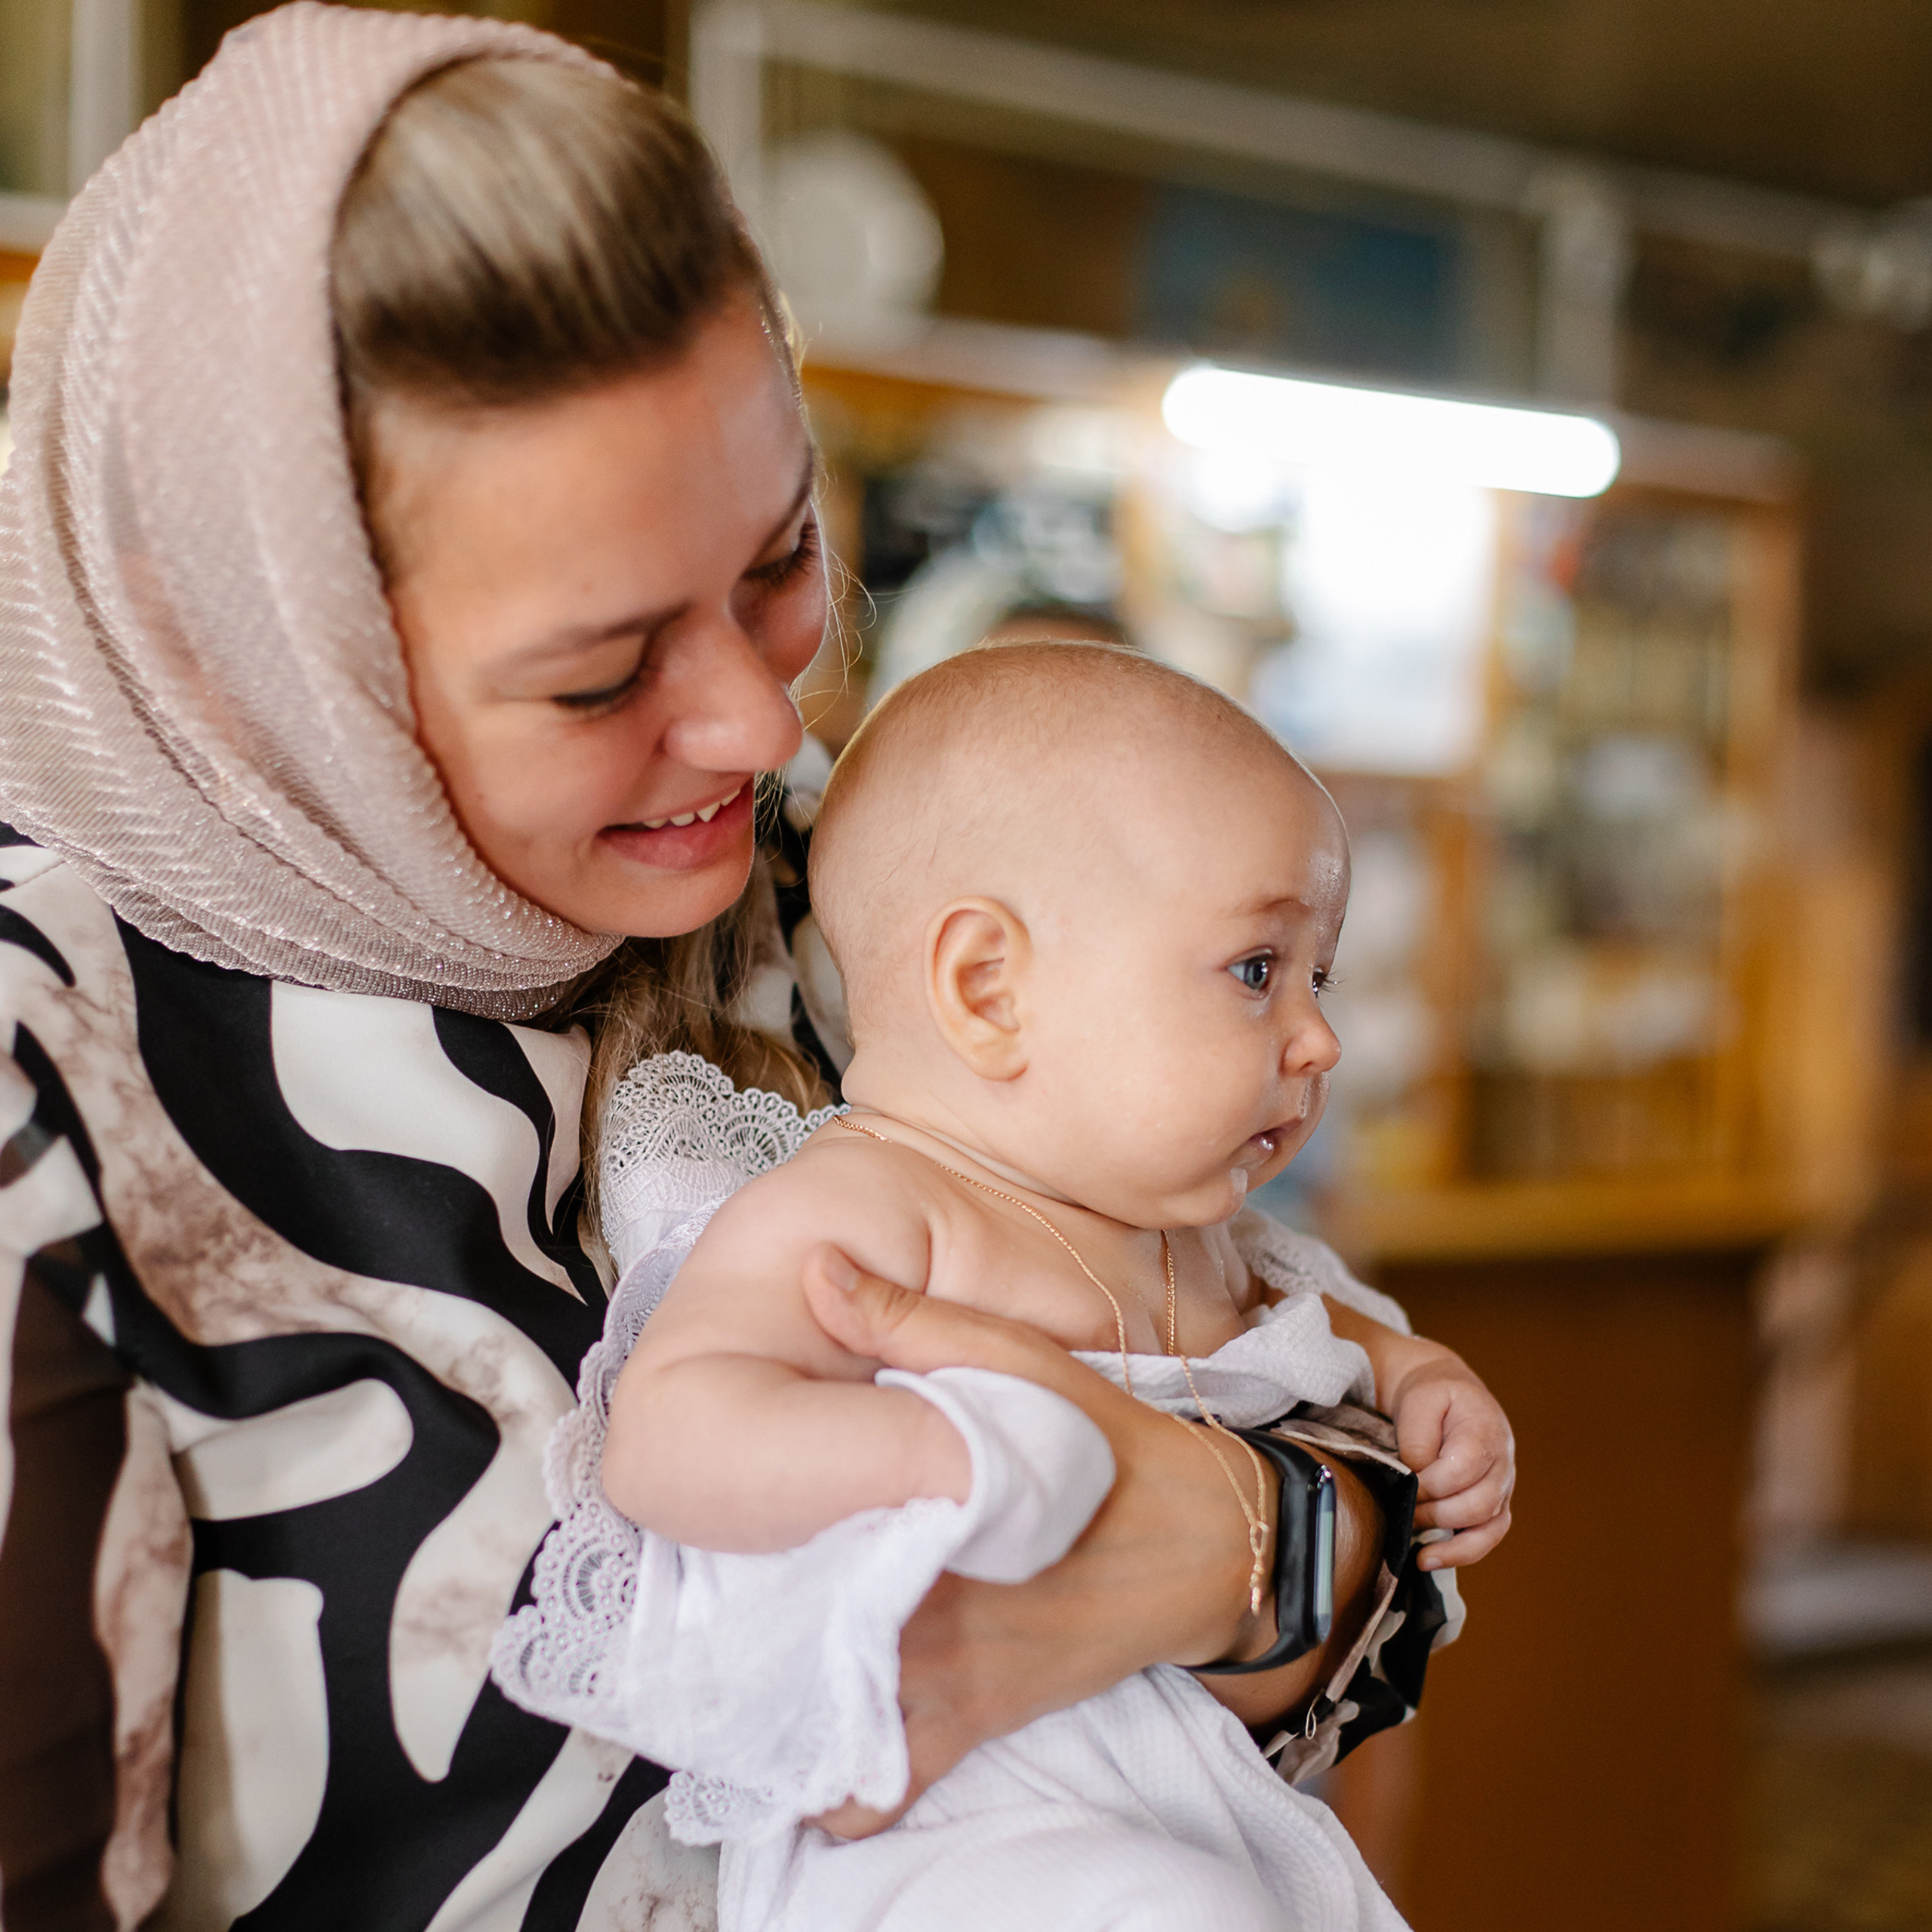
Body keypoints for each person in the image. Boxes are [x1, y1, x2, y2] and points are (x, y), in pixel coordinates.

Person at [0, 10, 1510, 1929]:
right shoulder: (56, 1077)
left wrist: (1228, 1534)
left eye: (783, 560)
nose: (749, 716)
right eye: (599, 670)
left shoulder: (833, 899)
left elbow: (1351, 1526)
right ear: (244, 656)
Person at [493, 643, 1507, 1932]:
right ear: (989, 988)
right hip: (941, 1816)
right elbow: (668, 1435)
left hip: (1176, 1777)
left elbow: (1307, 1328)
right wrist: (930, 1452)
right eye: (1259, 970)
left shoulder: (1180, 1229)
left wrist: (1414, 1371)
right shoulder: (870, 1206)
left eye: (1322, 977)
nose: (1319, 1038)